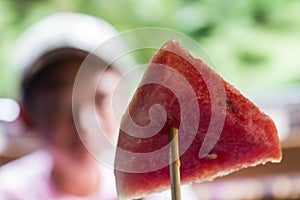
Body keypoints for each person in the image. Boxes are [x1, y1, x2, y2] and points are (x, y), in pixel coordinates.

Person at [0, 12, 128, 200]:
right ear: (27, 117)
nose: (85, 124)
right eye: (60, 107)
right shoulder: (8, 192)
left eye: (99, 100)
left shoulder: (158, 194)